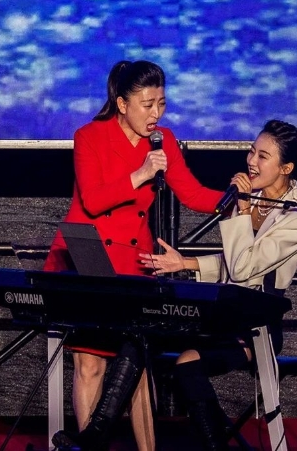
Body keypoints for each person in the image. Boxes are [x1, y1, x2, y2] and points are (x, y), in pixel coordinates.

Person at [45, 60, 223, 451]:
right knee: (90, 363)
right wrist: (141, 174)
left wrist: (233, 201)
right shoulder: (89, 136)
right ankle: (89, 447)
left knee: (137, 366)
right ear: (122, 104)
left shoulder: (163, 140)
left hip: (132, 261)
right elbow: (93, 200)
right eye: (147, 104)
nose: (156, 113)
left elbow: (192, 193)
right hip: (88, 256)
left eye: (162, 103)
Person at [142, 119, 297, 450]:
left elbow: (243, 270)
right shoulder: (252, 199)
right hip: (225, 315)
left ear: (286, 168)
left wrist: (242, 211)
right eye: (251, 151)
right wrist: (184, 263)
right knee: (142, 339)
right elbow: (233, 260)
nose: (251, 161)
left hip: (257, 327)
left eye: (263, 156)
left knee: (187, 363)